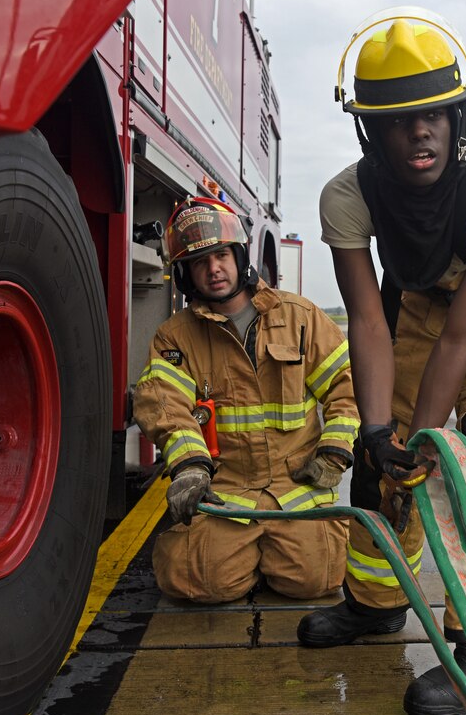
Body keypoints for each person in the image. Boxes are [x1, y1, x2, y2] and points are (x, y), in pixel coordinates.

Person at [295, 9, 466, 715]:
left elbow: (462, 338)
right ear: (370, 132)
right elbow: (367, 318)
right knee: (378, 457)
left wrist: (422, 435)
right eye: (397, 120)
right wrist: (382, 434)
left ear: (458, 118)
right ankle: (374, 605)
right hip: (414, 303)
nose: (419, 131)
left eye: (434, 115)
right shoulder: (346, 198)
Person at [133, 196, 360, 605]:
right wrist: (188, 466)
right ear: (186, 273)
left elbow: (348, 388)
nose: (214, 269)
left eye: (221, 255)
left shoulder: (301, 317)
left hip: (295, 489)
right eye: (200, 261)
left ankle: (271, 555)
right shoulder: (175, 337)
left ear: (238, 256)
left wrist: (334, 453)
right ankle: (248, 557)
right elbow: (165, 406)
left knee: (319, 578)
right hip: (226, 492)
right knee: (192, 581)